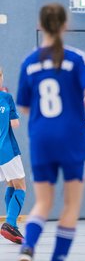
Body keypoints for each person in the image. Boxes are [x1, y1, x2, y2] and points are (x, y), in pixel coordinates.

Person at [16, 3, 85, 261]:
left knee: (43, 203)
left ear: (40, 25)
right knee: (71, 204)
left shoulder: (30, 61)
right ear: (65, 25)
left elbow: (24, 107)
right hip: (71, 138)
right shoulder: (77, 58)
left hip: (41, 138)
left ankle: (28, 250)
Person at [0, 67, 26, 244]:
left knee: (11, 183)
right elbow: (15, 124)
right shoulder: (6, 97)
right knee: (21, 186)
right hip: (7, 149)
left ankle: (12, 224)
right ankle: (9, 223)